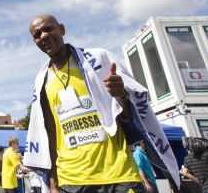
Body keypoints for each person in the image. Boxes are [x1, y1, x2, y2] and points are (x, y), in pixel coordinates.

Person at [24, 14, 179, 193]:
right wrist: (53, 182)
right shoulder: (42, 81)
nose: (43, 35)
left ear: (62, 29)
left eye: (48, 29)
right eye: (37, 34)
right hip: (72, 181)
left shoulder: (98, 60)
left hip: (119, 176)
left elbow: (132, 118)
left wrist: (121, 95)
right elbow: (49, 132)